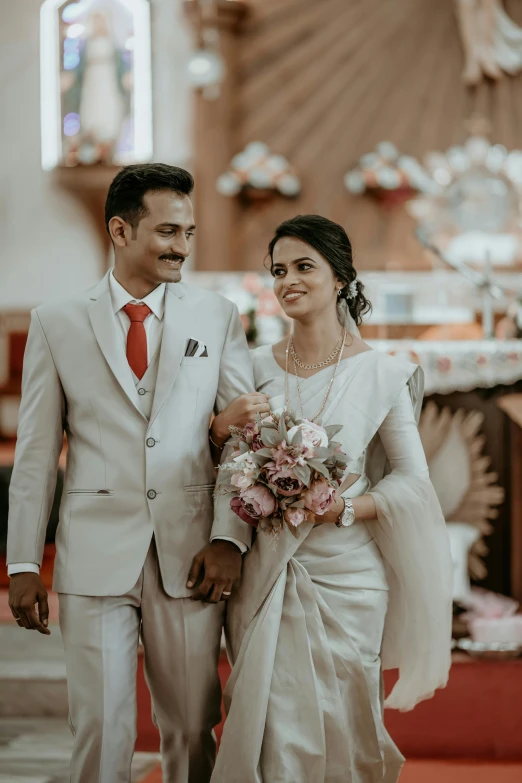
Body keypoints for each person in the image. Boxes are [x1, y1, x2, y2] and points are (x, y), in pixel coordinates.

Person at [6, 163, 269, 783]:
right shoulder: (57, 321)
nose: (182, 246)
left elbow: (242, 437)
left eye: (189, 232)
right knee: (99, 726)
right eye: (167, 231)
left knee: (191, 725)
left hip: (193, 553)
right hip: (94, 551)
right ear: (120, 231)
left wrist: (230, 536)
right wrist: (21, 562)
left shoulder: (217, 315)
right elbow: (37, 454)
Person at [209, 215, 453, 782]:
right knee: (273, 724)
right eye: (277, 270)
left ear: (340, 277)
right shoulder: (253, 369)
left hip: (346, 575)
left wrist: (340, 507)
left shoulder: (382, 373)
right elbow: (226, 466)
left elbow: (413, 483)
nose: (287, 280)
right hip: (266, 571)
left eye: (303, 267)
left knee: (344, 718)